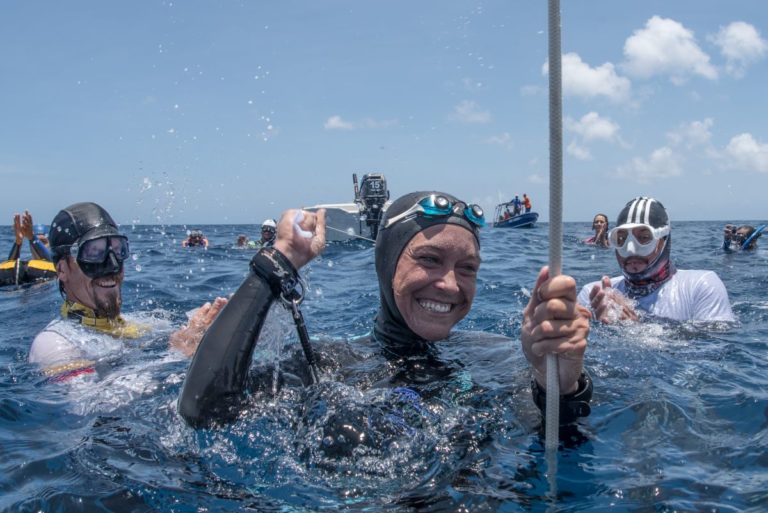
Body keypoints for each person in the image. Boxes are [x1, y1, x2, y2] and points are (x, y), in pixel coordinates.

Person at [178, 191, 593, 431]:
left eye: (466, 268)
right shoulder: (326, 365)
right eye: (429, 259)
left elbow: (552, 442)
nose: (449, 284)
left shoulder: (499, 355)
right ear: (387, 264)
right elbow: (206, 414)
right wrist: (276, 265)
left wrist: (558, 380)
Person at [28, 202, 224, 380]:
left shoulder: (139, 324)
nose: (113, 266)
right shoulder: (54, 344)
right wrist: (176, 357)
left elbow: (183, 335)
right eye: (94, 253)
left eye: (118, 250)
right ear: (62, 269)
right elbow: (91, 404)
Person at [579, 197, 734, 323]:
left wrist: (636, 331)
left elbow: (712, 354)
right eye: (621, 239)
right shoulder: (592, 294)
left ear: (664, 239)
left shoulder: (701, 286)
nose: (631, 250)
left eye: (645, 238)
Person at [1, 211, 56, 287]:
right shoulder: (27, 266)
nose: (37, 246)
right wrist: (18, 242)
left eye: (43, 242)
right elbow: (10, 267)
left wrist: (32, 238)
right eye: (35, 243)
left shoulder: (58, 261)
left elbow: (52, 264)